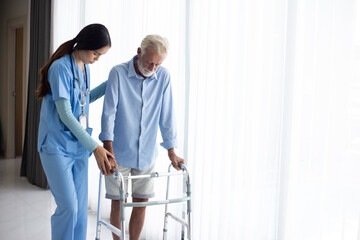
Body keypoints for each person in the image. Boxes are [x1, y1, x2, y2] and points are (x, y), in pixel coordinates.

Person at [36, 23, 118, 240]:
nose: (97, 59)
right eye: (96, 53)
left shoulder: (85, 68)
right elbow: (66, 114)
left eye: (101, 55)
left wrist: (112, 82)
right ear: (85, 44)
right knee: (69, 208)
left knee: (81, 210)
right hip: (56, 146)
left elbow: (83, 100)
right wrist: (95, 147)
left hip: (77, 146)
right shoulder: (60, 68)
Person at [99, 34, 185, 240]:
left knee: (141, 203)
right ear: (139, 53)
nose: (153, 68)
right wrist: (108, 152)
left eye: (158, 64)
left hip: (146, 154)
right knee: (118, 202)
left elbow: (167, 115)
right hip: (118, 153)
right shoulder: (118, 73)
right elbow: (108, 114)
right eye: (149, 62)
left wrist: (172, 152)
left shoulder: (163, 77)